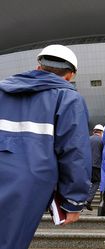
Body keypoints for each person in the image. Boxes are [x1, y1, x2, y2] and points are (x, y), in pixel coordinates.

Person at [0, 44, 91, 249]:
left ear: (38, 67)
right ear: (70, 75)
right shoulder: (67, 98)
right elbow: (74, 152)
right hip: (29, 183)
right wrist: (73, 202)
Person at [85, 124, 104, 211]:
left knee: (86, 183)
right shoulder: (102, 140)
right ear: (101, 132)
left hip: (86, 165)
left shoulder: (88, 139)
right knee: (96, 182)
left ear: (94, 131)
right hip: (97, 165)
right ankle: (88, 200)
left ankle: (80, 201)